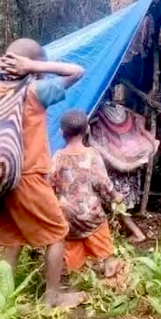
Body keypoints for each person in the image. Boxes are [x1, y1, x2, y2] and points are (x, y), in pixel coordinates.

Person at [0, 38, 85, 307]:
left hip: (1, 177)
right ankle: (52, 297)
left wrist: (2, 66)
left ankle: (2, 299)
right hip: (28, 175)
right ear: (27, 65)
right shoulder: (34, 92)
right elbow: (77, 71)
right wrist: (33, 65)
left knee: (12, 238)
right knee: (57, 233)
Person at [49, 110, 122, 276]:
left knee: (73, 253)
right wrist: (115, 196)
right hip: (91, 215)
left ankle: (77, 278)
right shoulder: (92, 155)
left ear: (61, 132)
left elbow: (50, 184)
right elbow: (103, 182)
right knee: (105, 251)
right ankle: (111, 272)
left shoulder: (58, 157)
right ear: (87, 129)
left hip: (67, 217)